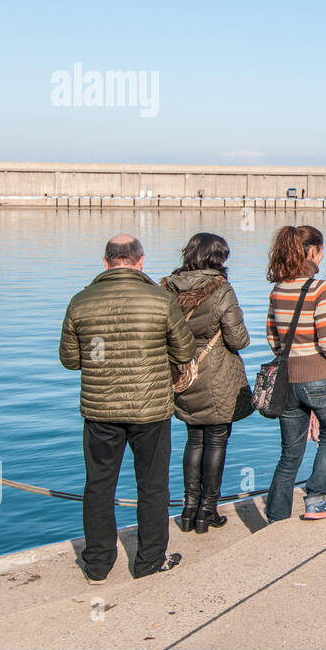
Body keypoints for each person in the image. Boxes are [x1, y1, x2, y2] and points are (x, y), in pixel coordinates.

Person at [60, 234, 193, 582]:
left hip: (100, 410)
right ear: (140, 261)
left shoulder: (80, 302)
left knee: (99, 484)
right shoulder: (161, 300)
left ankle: (98, 563)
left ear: (105, 262)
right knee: (152, 485)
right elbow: (183, 352)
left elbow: (70, 360)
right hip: (150, 409)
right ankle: (149, 561)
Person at [160, 233, 251, 534]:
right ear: (217, 258)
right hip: (216, 374)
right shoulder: (221, 290)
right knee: (216, 440)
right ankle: (207, 511)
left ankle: (188, 509)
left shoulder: (167, 289)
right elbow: (239, 339)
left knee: (194, 439)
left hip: (183, 373)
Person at [263, 225, 326, 521]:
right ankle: (315, 499)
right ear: (312, 251)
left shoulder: (277, 289)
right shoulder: (320, 288)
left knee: (289, 453)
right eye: (321, 250)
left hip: (287, 380)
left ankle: (276, 514)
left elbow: (273, 339)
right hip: (320, 375)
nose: (322, 257)